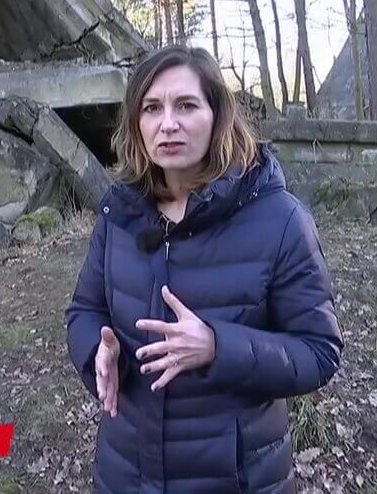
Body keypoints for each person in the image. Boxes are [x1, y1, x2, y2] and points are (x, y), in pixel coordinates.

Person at [65, 45, 343, 494]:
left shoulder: (280, 221)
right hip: (125, 474)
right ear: (137, 123)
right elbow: (83, 310)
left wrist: (217, 347)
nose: (168, 123)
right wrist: (94, 352)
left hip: (237, 479)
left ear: (217, 114)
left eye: (186, 105)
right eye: (152, 108)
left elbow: (319, 353)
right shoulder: (119, 215)